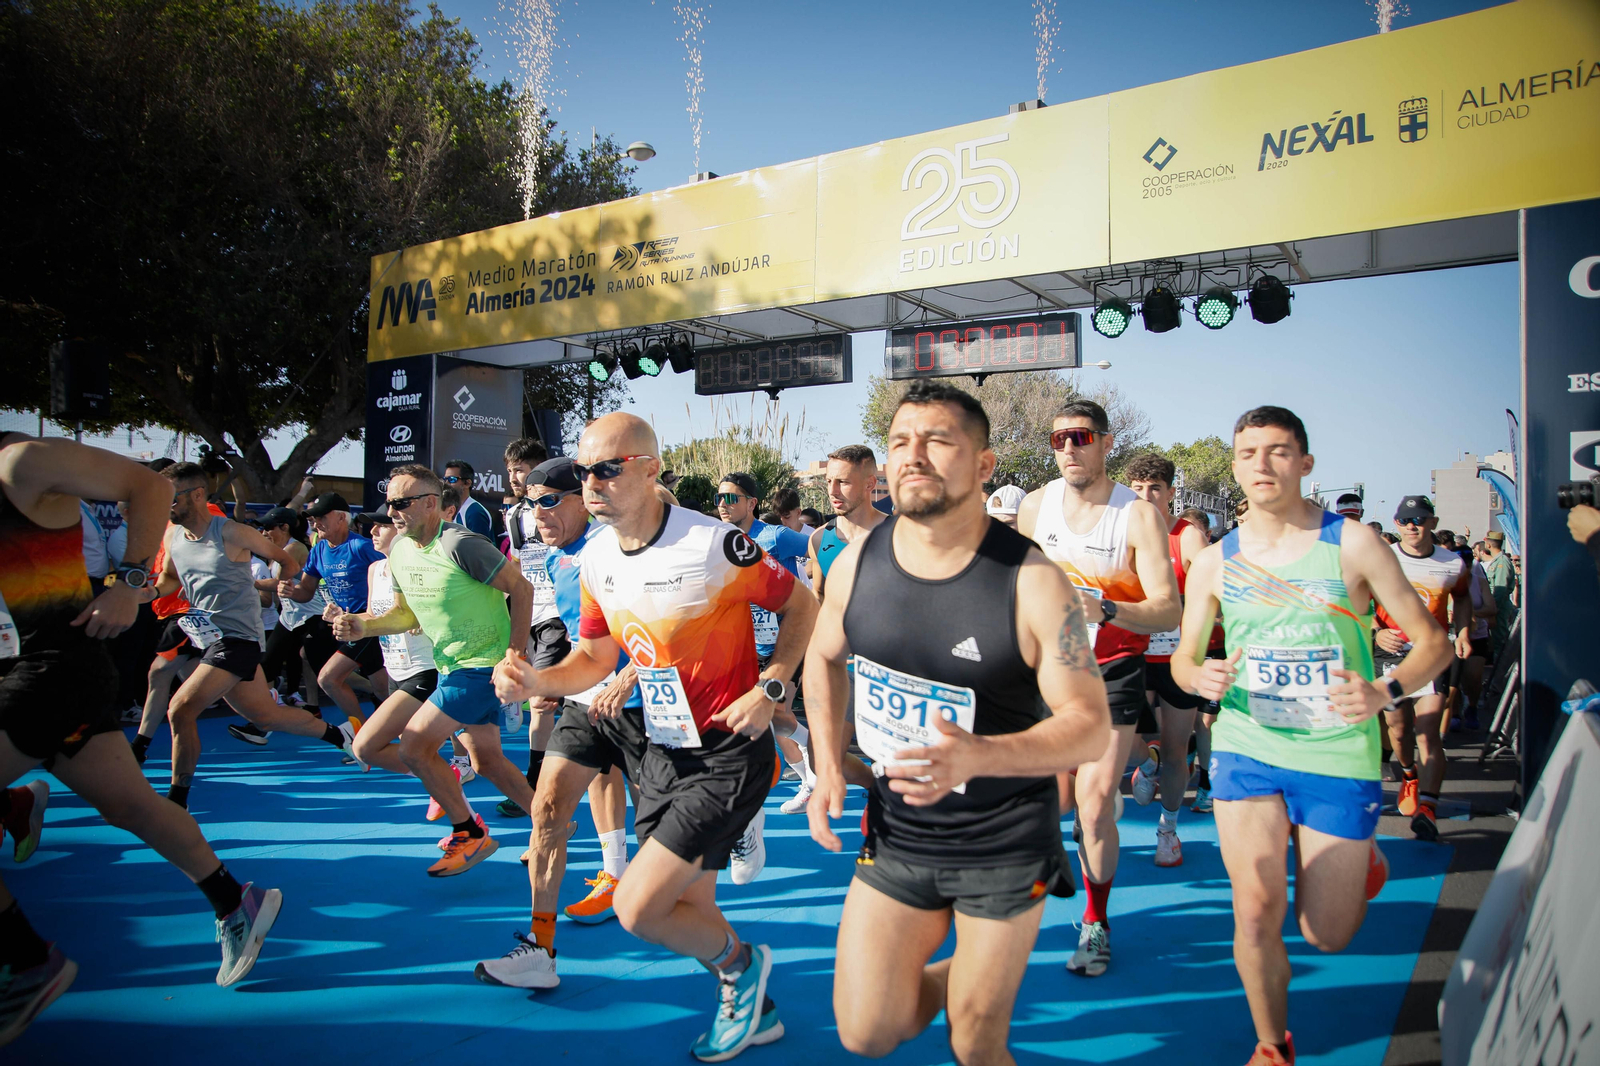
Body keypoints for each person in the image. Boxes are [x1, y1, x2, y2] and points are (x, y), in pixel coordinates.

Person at [492, 413, 818, 1062]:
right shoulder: (597, 557)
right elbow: (594, 655)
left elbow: (802, 605)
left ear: (648, 469)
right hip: (660, 750)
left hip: (727, 750)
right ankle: (749, 998)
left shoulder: (714, 544)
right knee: (688, 908)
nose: (592, 483)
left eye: (607, 469)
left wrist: (775, 683)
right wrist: (537, 680)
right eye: (584, 471)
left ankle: (746, 968)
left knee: (641, 907)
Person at [803, 381, 1111, 1065]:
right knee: (866, 1031)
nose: (914, 456)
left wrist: (978, 756)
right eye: (901, 443)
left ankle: (979, 986)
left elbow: (1089, 726)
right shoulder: (856, 563)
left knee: (975, 1043)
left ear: (983, 465)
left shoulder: (1031, 581)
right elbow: (820, 660)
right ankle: (969, 976)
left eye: (938, 440)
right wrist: (828, 764)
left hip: (1002, 842)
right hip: (899, 833)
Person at [1170, 405, 1453, 1066]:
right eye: (1248, 453)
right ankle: (1273, 1046)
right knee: (1255, 909)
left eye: (1277, 451)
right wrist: (1200, 675)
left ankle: (1356, 865)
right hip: (1247, 745)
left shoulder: (1351, 544)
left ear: (1305, 463)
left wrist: (1384, 692)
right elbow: (1184, 660)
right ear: (1235, 464)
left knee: (1327, 933)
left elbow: (1433, 644)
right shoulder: (1214, 562)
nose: (1261, 465)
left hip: (1336, 751)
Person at [0, 436, 282, 1047]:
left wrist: (128, 582)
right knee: (131, 806)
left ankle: (24, 955)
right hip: (45, 669)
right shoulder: (182, 541)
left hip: (52, 670)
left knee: (207, 708)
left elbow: (149, 486)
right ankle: (235, 900)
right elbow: (172, 575)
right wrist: (157, 591)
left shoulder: (20, 463)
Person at [1016, 400, 1181, 977]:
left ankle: (1095, 920)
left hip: (1112, 674)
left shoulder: (1136, 516)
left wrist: (1105, 606)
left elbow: (1167, 608)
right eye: (1058, 438)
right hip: (1047, 675)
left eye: (1080, 437)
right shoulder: (1035, 507)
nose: (1067, 448)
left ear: (1106, 443)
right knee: (1051, 802)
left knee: (1092, 807)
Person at [474, 456, 645, 989]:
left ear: (582, 500)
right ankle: (540, 949)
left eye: (548, 500)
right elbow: (582, 639)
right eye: (530, 502)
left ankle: (731, 962)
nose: (538, 512)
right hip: (587, 703)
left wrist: (632, 674)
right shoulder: (554, 559)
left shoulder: (615, 548)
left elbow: (668, 623)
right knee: (546, 810)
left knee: (670, 839)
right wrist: (545, 680)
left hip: (646, 707)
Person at [332, 464, 535, 877]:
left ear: (430, 504)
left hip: (482, 667)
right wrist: (364, 625)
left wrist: (514, 654)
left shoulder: (462, 543)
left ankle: (469, 832)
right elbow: (407, 616)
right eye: (389, 504)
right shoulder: (400, 551)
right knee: (487, 761)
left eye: (401, 503)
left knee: (413, 745)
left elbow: (522, 587)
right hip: (449, 666)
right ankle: (551, 824)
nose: (392, 513)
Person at [155, 465, 356, 808]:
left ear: (198, 495)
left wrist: (283, 587)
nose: (166, 504)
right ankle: (340, 735)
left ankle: (177, 799)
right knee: (267, 716)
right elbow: (169, 579)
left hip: (239, 639)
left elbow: (286, 560)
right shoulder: (174, 536)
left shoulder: (231, 532)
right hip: (207, 638)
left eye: (171, 496)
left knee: (180, 709)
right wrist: (142, 591)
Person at [1124, 453, 1211, 866]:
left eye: (1155, 488)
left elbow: (1214, 585)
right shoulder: (1121, 530)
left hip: (1177, 659)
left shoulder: (1187, 536)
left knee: (1178, 748)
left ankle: (1168, 830)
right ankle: (1146, 760)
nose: (1145, 496)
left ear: (1171, 493)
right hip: (1132, 653)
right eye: (1138, 489)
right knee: (1121, 740)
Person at [717, 473, 815, 828]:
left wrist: (816, 588)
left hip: (788, 642)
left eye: (732, 498)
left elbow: (818, 545)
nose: (723, 505)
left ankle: (816, 772)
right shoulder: (722, 539)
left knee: (775, 713)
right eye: (719, 498)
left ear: (751, 503)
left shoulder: (775, 535)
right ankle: (810, 775)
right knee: (773, 722)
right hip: (749, 644)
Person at [1373, 496, 1472, 842]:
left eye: (1419, 519)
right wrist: (1377, 630)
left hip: (1430, 652)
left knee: (1428, 730)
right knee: (1398, 729)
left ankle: (1428, 809)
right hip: (1391, 654)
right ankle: (1409, 774)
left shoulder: (1453, 563)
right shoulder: (1382, 558)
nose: (1411, 526)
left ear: (1433, 522)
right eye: (1404, 521)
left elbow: (1461, 598)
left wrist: (1461, 632)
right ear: (1396, 524)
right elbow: (1358, 599)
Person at [807, 445, 888, 791]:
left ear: (870, 484)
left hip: (890, 670)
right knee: (821, 756)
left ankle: (888, 800)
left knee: (892, 761)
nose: (833, 492)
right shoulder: (819, 539)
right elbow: (819, 600)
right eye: (828, 482)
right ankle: (876, 790)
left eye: (843, 483)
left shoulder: (899, 534)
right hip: (843, 669)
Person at [277, 493, 387, 729]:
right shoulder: (318, 550)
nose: (315, 523)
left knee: (329, 678)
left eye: (320, 517)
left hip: (366, 625)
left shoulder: (361, 547)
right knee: (382, 687)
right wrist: (290, 590)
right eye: (312, 519)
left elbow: (392, 576)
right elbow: (305, 590)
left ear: (340, 518)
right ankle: (395, 733)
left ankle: (362, 734)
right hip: (344, 627)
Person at [500, 437, 563, 818]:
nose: (513, 477)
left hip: (562, 614)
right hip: (534, 615)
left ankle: (533, 785)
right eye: (509, 470)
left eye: (520, 469)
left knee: (540, 703)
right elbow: (520, 571)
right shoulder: (512, 516)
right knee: (553, 705)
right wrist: (517, 626)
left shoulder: (569, 507)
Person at [1482, 531, 1518, 660]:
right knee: (1496, 641)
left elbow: (1500, 589)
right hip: (1496, 606)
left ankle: (1501, 675)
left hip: (1499, 607)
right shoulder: (1497, 561)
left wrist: (1493, 609)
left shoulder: (1502, 562)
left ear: (1488, 544)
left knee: (1500, 642)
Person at [442, 459, 495, 538]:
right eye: (445, 479)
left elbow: (479, 548)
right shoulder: (451, 510)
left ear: (467, 483)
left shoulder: (475, 512)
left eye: (452, 479)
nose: (446, 483)